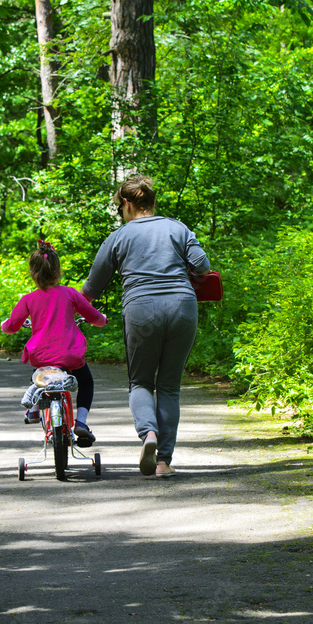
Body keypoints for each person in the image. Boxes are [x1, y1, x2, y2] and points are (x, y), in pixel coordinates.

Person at [81, 175, 211, 477]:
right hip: (182, 307)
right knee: (169, 387)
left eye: (119, 207)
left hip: (141, 309)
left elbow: (92, 290)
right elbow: (203, 266)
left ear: (127, 204)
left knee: (140, 382)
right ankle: (163, 462)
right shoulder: (178, 228)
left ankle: (148, 434)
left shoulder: (119, 237)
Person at [1, 240, 108, 443]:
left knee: (37, 376)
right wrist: (103, 320)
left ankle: (34, 410)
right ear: (58, 270)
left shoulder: (28, 299)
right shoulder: (70, 294)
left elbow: (12, 326)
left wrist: (4, 325)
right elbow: (94, 317)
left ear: (33, 273)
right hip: (69, 355)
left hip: (41, 355)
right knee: (86, 382)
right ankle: (82, 422)